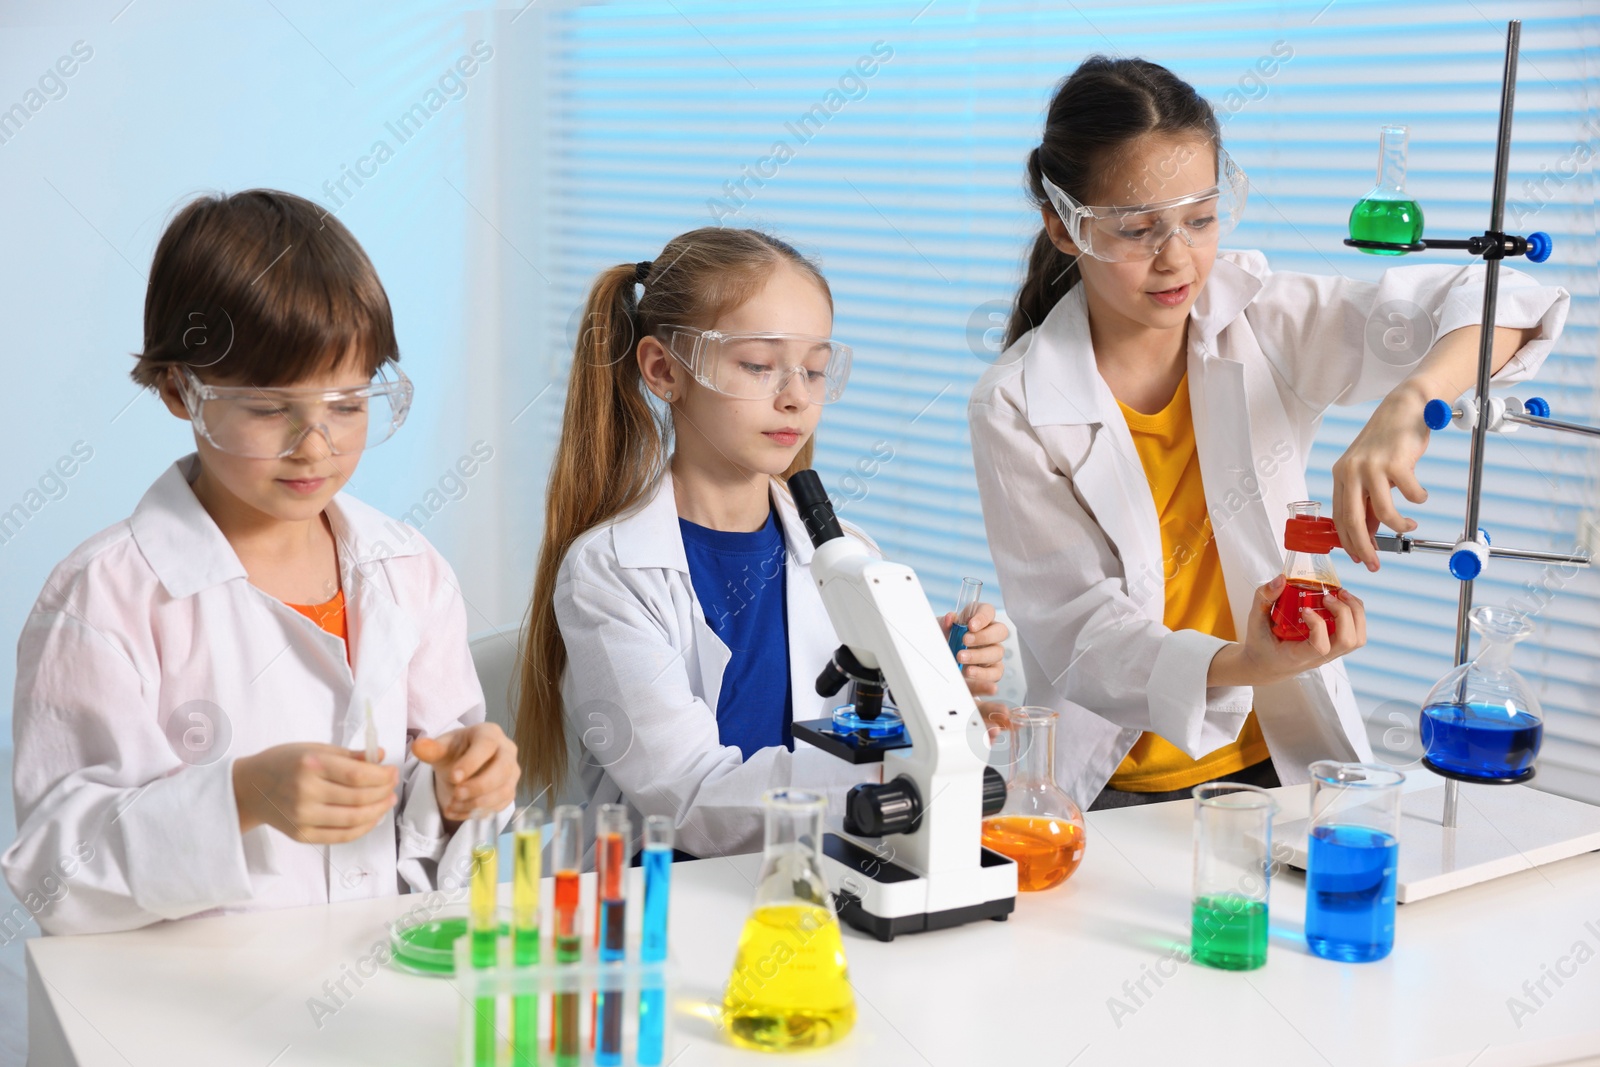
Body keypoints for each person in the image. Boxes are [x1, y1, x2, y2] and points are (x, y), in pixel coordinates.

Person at [968, 57, 1569, 811]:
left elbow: (1507, 296)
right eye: (1139, 228)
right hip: (1113, 785)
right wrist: (1244, 659)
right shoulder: (1016, 403)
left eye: (1200, 219)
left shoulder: (1265, 320)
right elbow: (1082, 636)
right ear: (1065, 226)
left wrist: (1411, 403)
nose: (1177, 257)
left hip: (1280, 764)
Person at [3, 190, 518, 935]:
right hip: (191, 1019)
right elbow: (56, 875)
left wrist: (463, 783)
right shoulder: (104, 596)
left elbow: (430, 836)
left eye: (347, 404)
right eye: (272, 408)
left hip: (373, 988)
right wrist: (241, 796)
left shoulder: (409, 571)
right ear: (183, 391)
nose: (315, 445)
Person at [516, 227, 1008, 859]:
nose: (795, 396)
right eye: (758, 364)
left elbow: (865, 725)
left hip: (817, 876)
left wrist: (936, 685)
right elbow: (691, 800)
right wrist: (898, 775)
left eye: (814, 369)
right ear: (665, 370)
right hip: (667, 895)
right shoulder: (609, 573)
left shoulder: (847, 554)